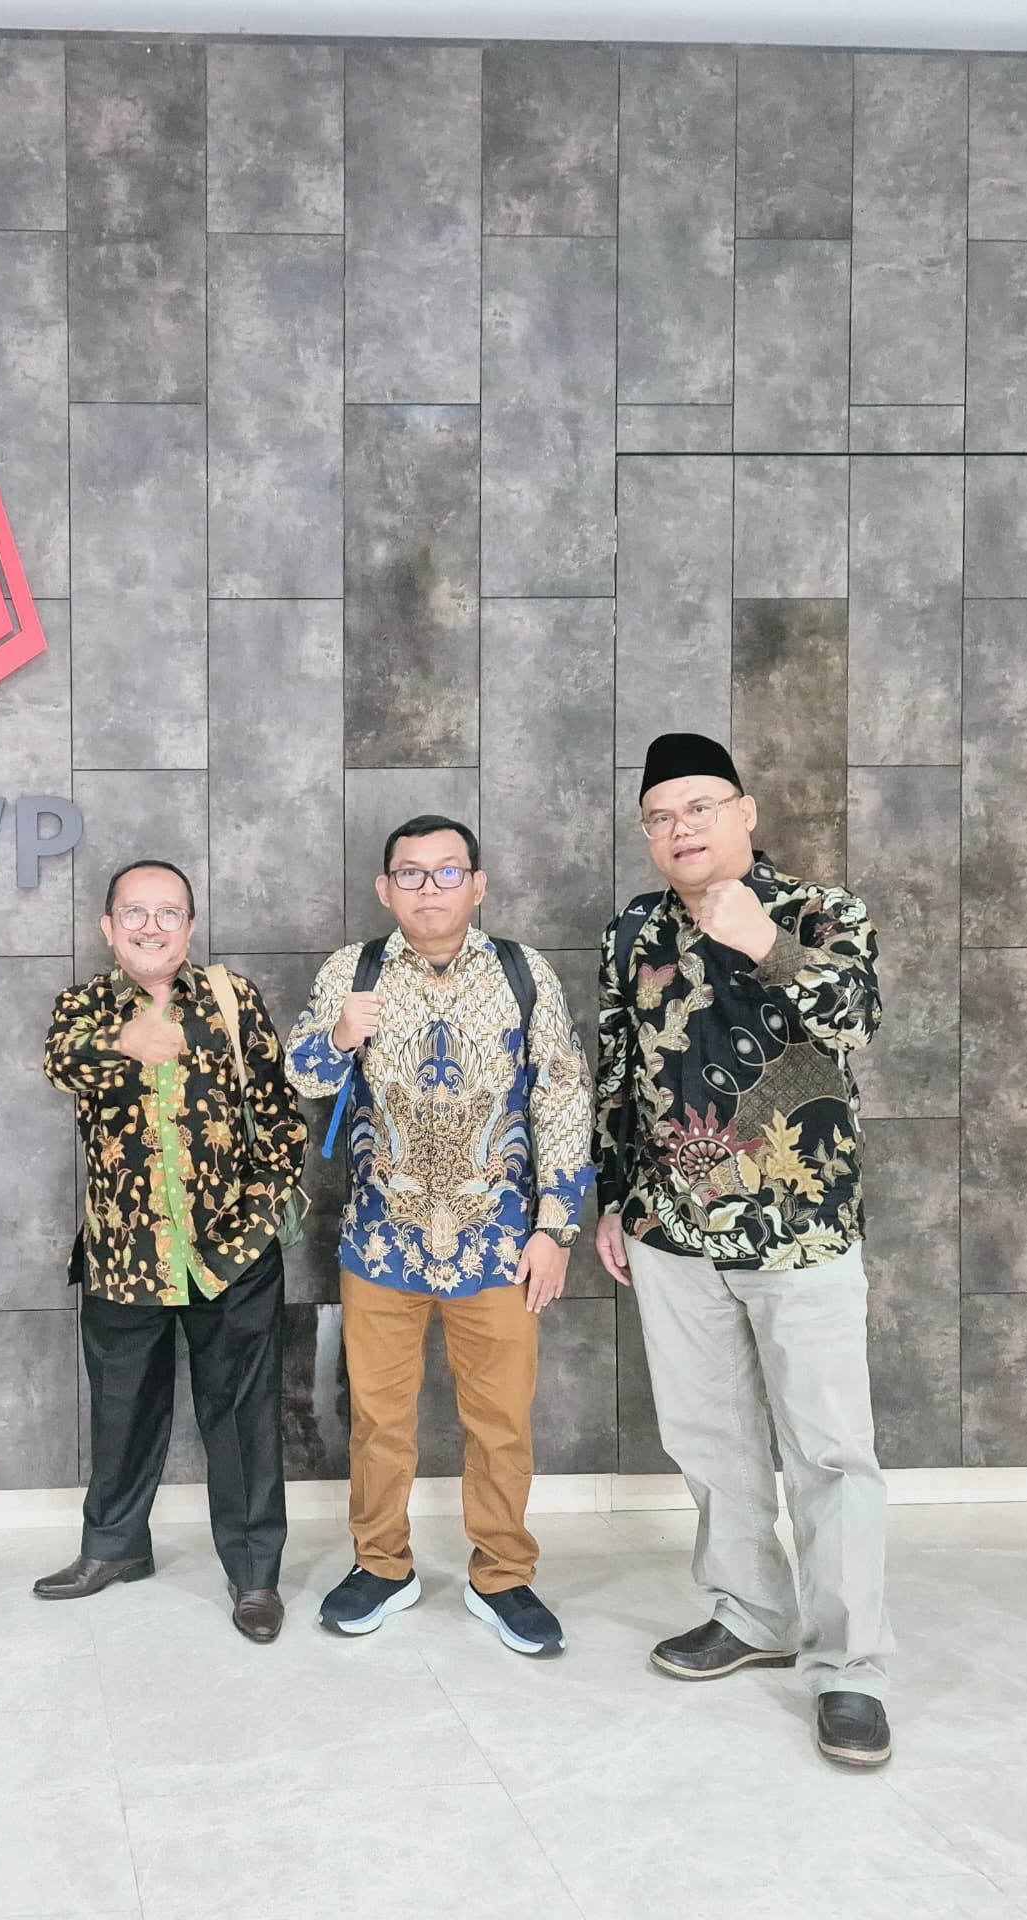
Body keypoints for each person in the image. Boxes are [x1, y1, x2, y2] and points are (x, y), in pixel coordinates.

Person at [593, 732, 893, 1769]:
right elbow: (617, 1071)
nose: (680, 828)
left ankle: (850, 1667)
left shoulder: (821, 913)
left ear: (745, 812)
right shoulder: (632, 931)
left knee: (829, 1454)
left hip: (798, 1230)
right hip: (672, 1233)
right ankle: (753, 1612)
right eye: (660, 816)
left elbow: (856, 1022)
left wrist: (767, 943)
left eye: (700, 807)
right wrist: (612, 1198)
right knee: (711, 1443)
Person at [288, 815, 594, 1652]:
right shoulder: (351, 970)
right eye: (411, 874)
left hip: (499, 1244)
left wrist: (556, 1228)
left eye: (448, 872)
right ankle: (382, 1565)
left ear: (478, 885)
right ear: (385, 889)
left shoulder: (523, 972)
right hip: (380, 1242)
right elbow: (303, 1073)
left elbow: (564, 1097)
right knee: (378, 1420)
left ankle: (504, 1576)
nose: (430, 888)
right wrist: (338, 1034)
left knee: (501, 1421)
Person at [34, 859, 308, 1642]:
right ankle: (113, 1548)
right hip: (122, 1254)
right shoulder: (84, 1006)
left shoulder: (232, 999)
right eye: (134, 913)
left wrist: (259, 1218)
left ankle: (254, 1574)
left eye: (167, 913)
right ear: (108, 928)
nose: (150, 926)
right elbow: (61, 1065)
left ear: (189, 927)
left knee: (244, 1418)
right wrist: (127, 1041)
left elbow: (278, 1115)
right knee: (122, 1410)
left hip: (232, 1253)